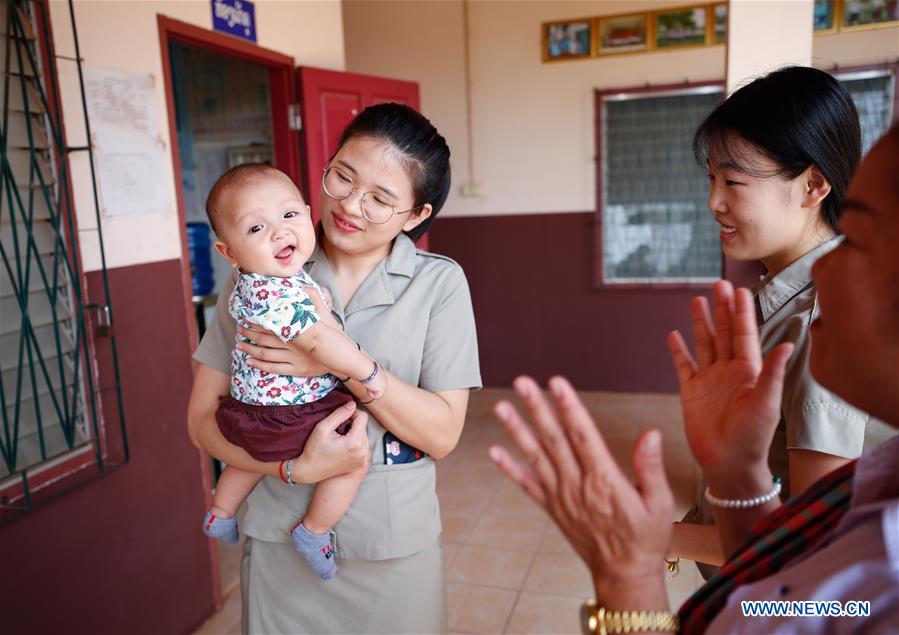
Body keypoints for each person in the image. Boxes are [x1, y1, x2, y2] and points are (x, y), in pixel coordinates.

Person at [488, 125, 899, 633]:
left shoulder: (882, 578)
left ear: (814, 187)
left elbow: (795, 603)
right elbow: (784, 588)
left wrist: (631, 573)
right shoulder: (879, 489)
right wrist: (737, 475)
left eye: (860, 242)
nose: (829, 268)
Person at [187, 103, 481, 633]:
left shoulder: (440, 285)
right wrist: (293, 469)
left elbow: (441, 434)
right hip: (279, 537)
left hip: (392, 549)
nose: (349, 204)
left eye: (380, 199)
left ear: (417, 216)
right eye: (342, 176)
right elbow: (202, 422)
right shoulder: (257, 270)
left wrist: (347, 364)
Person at [671, 66, 892, 573]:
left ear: (813, 184)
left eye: (733, 181)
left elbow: (814, 544)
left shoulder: (822, 322)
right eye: (711, 178)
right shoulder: (782, 294)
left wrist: (660, 537)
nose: (713, 201)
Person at [198, 164, 386, 582]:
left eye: (288, 216)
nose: (279, 233)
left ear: (306, 213)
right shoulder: (276, 293)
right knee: (352, 461)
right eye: (255, 229)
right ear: (228, 252)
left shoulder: (255, 280)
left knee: (250, 456)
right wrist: (368, 374)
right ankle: (314, 531)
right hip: (293, 414)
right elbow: (319, 344)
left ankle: (221, 512)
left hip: (252, 411)